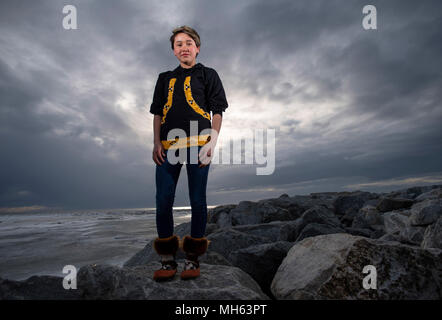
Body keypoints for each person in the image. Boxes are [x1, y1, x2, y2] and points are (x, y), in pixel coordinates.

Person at [149, 25, 228, 281]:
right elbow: (158, 112)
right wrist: (156, 142)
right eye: (179, 44)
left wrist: (212, 143)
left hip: (199, 143)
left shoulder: (209, 74)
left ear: (197, 48)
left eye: (189, 43)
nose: (184, 47)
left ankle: (192, 260)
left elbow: (217, 111)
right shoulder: (164, 78)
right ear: (174, 51)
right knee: (163, 199)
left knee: (197, 200)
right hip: (169, 146)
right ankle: (167, 259)